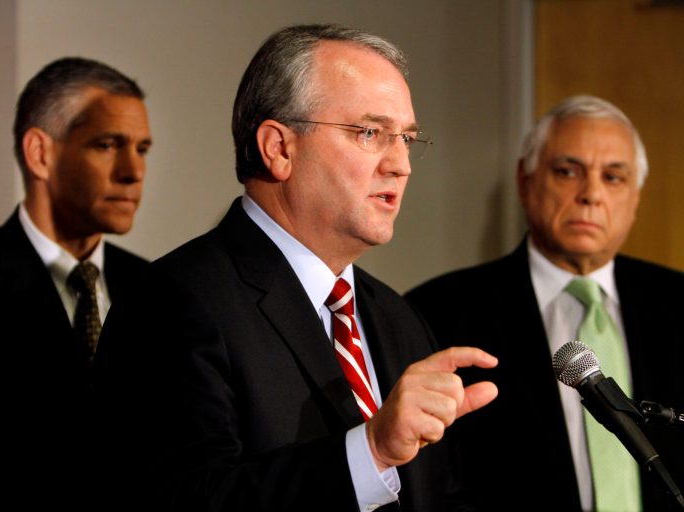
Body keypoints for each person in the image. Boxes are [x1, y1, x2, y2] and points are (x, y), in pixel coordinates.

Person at [93, 24, 498, 511]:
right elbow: (182, 501)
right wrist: (371, 452)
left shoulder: (398, 318)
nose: (401, 165)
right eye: (370, 132)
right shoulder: (171, 303)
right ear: (279, 148)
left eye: (407, 138)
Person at [406, 94, 683, 511]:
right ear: (525, 180)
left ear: (635, 198)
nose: (590, 194)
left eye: (613, 177)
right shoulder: (438, 312)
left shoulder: (679, 304)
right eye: (568, 171)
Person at [0, 57, 152, 508]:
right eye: (107, 144)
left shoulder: (157, 290)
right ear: (40, 153)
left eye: (142, 149)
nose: (133, 171)